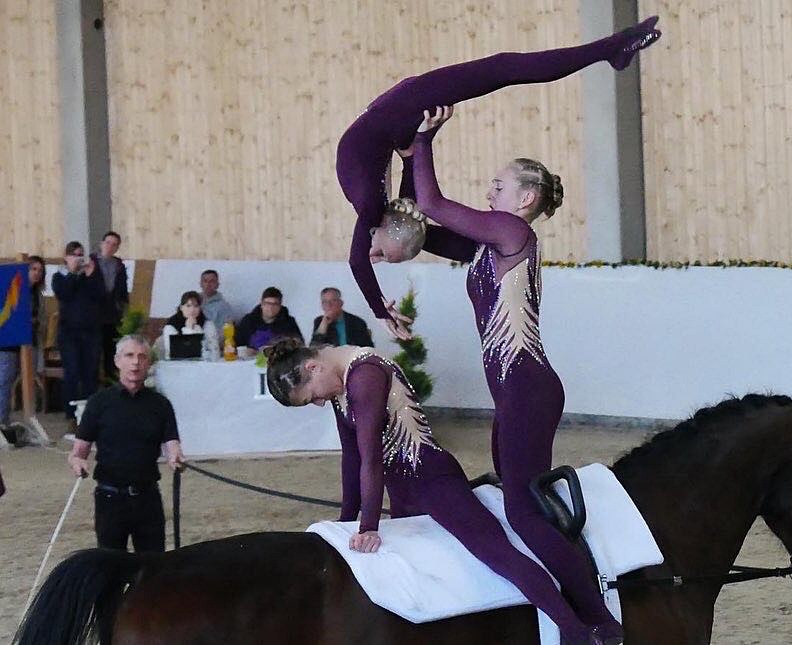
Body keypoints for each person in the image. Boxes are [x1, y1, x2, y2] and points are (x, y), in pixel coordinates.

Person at [410, 104, 628, 639]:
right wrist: (384, 201)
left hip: (526, 388)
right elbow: (422, 227)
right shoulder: (491, 245)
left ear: (525, 199)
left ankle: (597, 622)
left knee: (524, 511)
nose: (490, 193)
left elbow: (432, 203)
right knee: (522, 502)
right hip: (514, 392)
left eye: (499, 186)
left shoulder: (511, 233)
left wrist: (423, 141)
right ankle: (570, 604)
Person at [264, 340, 618, 645]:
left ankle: (578, 630)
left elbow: (370, 455)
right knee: (413, 575)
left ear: (313, 366)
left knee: (498, 555)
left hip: (434, 480)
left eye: (311, 396)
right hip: (402, 489)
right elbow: (351, 456)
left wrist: (368, 523)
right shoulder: (339, 384)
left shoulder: (365, 374)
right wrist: (345, 520)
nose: (319, 403)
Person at [337, 16, 661, 341]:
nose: (373, 256)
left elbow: (360, 259)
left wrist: (379, 309)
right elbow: (414, 210)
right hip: (397, 121)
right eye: (380, 256)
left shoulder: (369, 205)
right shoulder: (386, 209)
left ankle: (610, 49)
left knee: (504, 67)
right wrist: (413, 151)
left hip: (397, 114)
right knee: (502, 67)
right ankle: (610, 49)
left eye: (378, 254)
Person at [68, 334, 184, 552]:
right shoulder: (98, 403)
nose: (135, 362)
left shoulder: (161, 404)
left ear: (149, 363)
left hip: (147, 498)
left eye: (142, 357)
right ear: (117, 361)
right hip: (109, 498)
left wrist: (175, 457)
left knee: (153, 569)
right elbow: (78, 452)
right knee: (110, 569)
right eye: (129, 356)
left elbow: (172, 444)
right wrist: (78, 463)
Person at [52, 241, 103, 422]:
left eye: (81, 254)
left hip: (91, 332)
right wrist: (73, 273)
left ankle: (91, 412)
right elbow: (64, 294)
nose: (78, 258)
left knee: (90, 372)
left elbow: (99, 295)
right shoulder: (59, 276)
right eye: (74, 255)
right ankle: (71, 414)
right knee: (72, 372)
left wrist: (90, 274)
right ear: (66, 257)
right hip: (69, 333)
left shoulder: (91, 275)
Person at [0, 256, 45, 446]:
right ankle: (1, 420)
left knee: (27, 380)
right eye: (33, 269)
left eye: (40, 270)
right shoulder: (13, 288)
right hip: (9, 343)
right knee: (5, 381)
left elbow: (40, 319)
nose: (36, 273)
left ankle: (26, 421)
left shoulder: (37, 294)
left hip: (29, 343)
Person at [92, 231, 129, 380]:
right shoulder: (91, 262)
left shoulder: (119, 265)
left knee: (112, 357)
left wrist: (124, 311)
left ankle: (111, 387)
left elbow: (123, 293)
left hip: (113, 317)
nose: (110, 247)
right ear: (102, 244)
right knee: (93, 356)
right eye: (108, 243)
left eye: (114, 245)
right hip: (93, 317)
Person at [235, 287, 303, 353]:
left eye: (275, 304)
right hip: (248, 362)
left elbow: (299, 345)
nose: (271, 307)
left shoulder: (289, 322)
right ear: (261, 304)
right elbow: (236, 344)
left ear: (280, 305)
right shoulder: (248, 321)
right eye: (267, 303)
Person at [157, 290, 219, 360]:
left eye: (196, 306)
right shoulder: (171, 326)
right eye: (188, 306)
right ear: (181, 308)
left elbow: (214, 352)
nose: (192, 310)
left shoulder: (207, 324)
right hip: (178, 366)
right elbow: (177, 354)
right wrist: (189, 329)